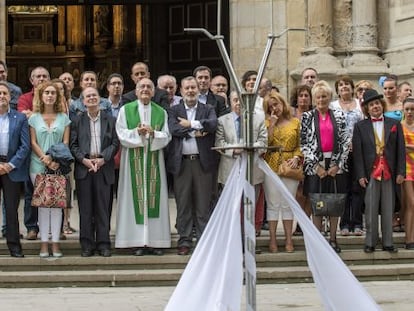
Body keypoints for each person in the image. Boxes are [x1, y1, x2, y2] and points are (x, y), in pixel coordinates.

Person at [115, 78, 171, 256]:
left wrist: (154, 133)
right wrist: (136, 133)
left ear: (154, 92)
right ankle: (136, 242)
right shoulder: (126, 110)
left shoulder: (161, 112)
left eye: (149, 87)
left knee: (154, 201)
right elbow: (121, 132)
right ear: (136, 90)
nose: (145, 89)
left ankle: (155, 242)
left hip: (154, 160)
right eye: (142, 87)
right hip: (133, 159)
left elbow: (167, 135)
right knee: (133, 200)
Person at [167, 76, 218, 256]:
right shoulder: (174, 110)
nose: (190, 91)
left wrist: (190, 124)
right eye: (187, 88)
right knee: (183, 204)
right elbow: (174, 129)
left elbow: (212, 125)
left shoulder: (208, 108)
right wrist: (196, 131)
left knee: (203, 204)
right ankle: (185, 240)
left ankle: (204, 240)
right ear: (181, 91)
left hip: (202, 162)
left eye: (193, 88)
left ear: (198, 90)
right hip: (181, 163)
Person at [353, 89, 405, 253]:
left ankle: (388, 242)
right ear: (367, 109)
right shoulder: (360, 126)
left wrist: (401, 172)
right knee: (371, 208)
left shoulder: (394, 124)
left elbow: (400, 150)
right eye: (371, 104)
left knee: (388, 208)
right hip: (371, 172)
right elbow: (358, 153)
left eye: (377, 103)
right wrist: (360, 175)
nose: (375, 106)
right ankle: (370, 241)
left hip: (389, 172)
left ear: (381, 105)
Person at [300, 80, 350, 253]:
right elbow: (304, 144)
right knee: (318, 203)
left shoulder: (340, 115)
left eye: (324, 96)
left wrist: (337, 164)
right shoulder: (307, 117)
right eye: (318, 97)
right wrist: (316, 166)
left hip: (336, 165)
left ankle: (333, 238)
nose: (321, 100)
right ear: (314, 99)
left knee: (335, 203)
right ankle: (319, 241)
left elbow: (345, 141)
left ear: (330, 97)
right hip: (316, 166)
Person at [70, 86, 119, 257]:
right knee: (85, 209)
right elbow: (73, 145)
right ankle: (87, 244)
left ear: (100, 99)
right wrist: (84, 160)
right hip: (85, 168)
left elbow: (115, 143)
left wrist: (103, 158)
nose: (91, 98)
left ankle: (104, 244)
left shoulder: (110, 119)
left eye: (94, 95)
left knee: (103, 208)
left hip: (103, 167)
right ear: (83, 101)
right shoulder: (77, 120)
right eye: (87, 96)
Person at [215, 91, 267, 240]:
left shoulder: (258, 120)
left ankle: (249, 240)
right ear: (230, 102)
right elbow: (220, 143)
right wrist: (235, 150)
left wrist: (249, 148)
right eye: (235, 100)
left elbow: (263, 143)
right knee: (232, 207)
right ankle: (234, 239)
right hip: (230, 169)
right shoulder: (222, 121)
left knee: (250, 207)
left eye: (241, 101)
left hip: (253, 170)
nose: (238, 103)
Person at [28, 81, 71, 258]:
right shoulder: (34, 118)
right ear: (41, 95)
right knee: (43, 206)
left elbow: (66, 142)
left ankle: (55, 244)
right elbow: (32, 142)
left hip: (58, 166)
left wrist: (54, 159)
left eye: (53, 92)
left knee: (57, 206)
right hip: (38, 166)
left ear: (57, 96)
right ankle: (44, 244)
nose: (50, 95)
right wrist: (45, 159)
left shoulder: (64, 118)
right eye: (47, 92)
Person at [263, 91, 302, 253]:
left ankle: (288, 239)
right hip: (271, 165)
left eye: (276, 104)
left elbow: (301, 144)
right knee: (273, 204)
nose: (275, 108)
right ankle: (272, 240)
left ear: (282, 104)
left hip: (289, 165)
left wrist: (297, 157)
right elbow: (265, 144)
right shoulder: (266, 123)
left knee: (287, 203)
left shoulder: (295, 122)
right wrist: (271, 124)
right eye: (271, 106)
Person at [17, 66, 50, 241]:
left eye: (45, 76)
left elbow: (59, 118)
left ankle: (51, 228)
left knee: (52, 191)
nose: (42, 79)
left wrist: (34, 115)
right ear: (31, 80)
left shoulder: (55, 97)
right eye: (38, 76)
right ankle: (32, 227)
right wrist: (43, 115)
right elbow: (24, 116)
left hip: (51, 152)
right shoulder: (24, 98)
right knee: (31, 192)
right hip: (31, 152)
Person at [330, 75, 365, 236]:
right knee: (343, 188)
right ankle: (344, 224)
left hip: (358, 151)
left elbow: (365, 125)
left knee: (357, 187)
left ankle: (357, 223)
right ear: (337, 90)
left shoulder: (360, 104)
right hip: (340, 153)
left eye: (347, 84)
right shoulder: (332, 106)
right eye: (341, 85)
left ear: (352, 88)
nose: (344, 87)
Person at [0, 82, 30, 257]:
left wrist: (10, 165)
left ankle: (14, 246)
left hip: (12, 169)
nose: (2, 96)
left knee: (11, 210)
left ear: (10, 97)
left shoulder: (20, 118)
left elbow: (25, 147)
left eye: (5, 93)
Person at [289, 84, 312, 235]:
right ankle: (298, 219)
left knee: (309, 191)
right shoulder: (290, 114)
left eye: (306, 95)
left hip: (310, 156)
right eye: (301, 95)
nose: (303, 98)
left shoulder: (314, 114)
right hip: (294, 156)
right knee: (297, 192)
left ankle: (304, 222)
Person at [401, 97, 414, 249]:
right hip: (406, 168)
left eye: (413, 109)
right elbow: (399, 147)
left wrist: (407, 146)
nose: (410, 112)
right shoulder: (399, 127)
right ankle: (409, 239)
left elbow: (405, 146)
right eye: (407, 109)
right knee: (411, 203)